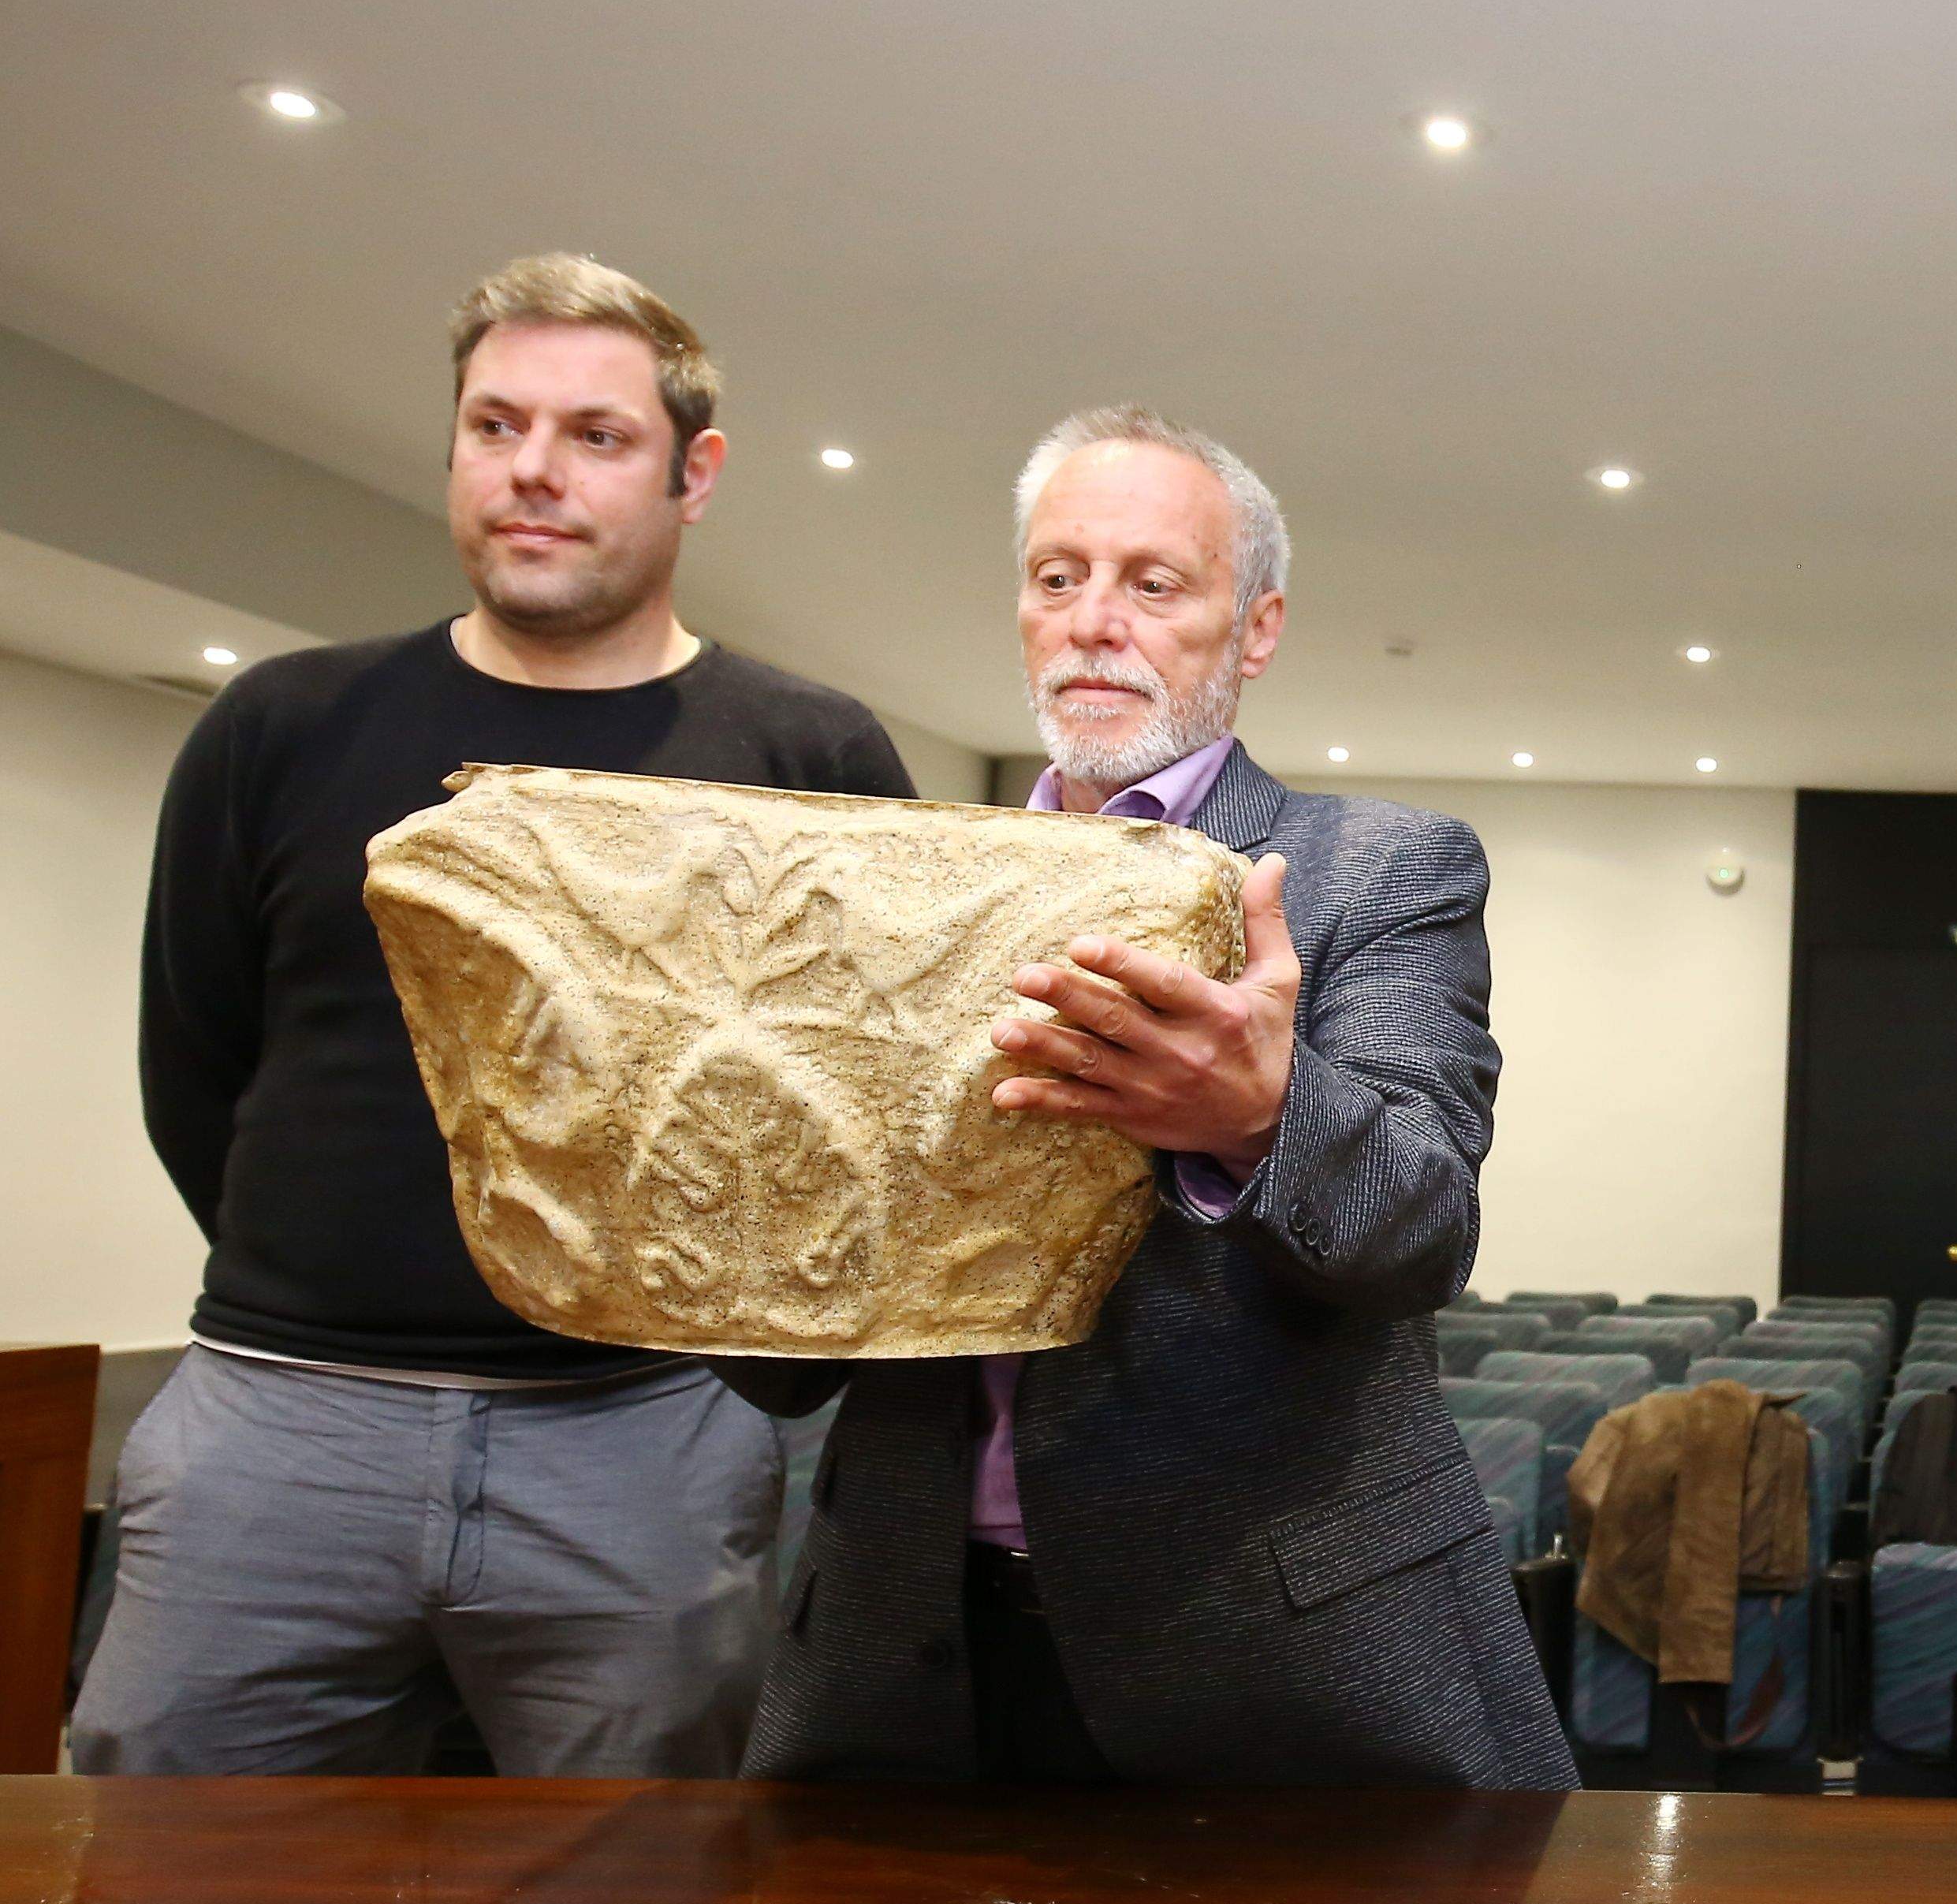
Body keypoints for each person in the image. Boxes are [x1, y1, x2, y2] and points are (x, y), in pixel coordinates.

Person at [80, 253, 916, 1777]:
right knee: (170, 1895)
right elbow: (194, 1067)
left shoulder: (809, 755)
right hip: (279, 1431)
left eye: (595, 435)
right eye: (494, 425)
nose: (533, 469)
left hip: (641, 1446)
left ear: (692, 475)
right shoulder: (281, 725)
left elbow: (866, 1107)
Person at [734, 404, 1571, 1787]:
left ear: (1253, 628)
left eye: (1153, 582)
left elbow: (1422, 1226)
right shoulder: (888, 896)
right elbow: (785, 1354)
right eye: (1057, 577)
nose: (1093, 621)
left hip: (1272, 1658)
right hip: (908, 1650)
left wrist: (1259, 1115)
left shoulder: (1378, 871)